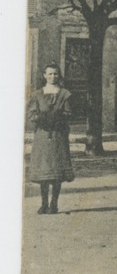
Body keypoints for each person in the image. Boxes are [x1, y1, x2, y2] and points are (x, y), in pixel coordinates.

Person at [27, 64, 75, 214]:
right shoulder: (37, 95)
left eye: (55, 74)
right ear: (44, 75)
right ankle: (43, 204)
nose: (52, 77)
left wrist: (59, 118)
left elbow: (68, 113)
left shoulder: (64, 94)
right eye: (49, 74)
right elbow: (31, 114)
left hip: (58, 136)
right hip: (42, 135)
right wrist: (42, 118)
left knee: (56, 171)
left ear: (58, 76)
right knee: (44, 171)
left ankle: (54, 203)